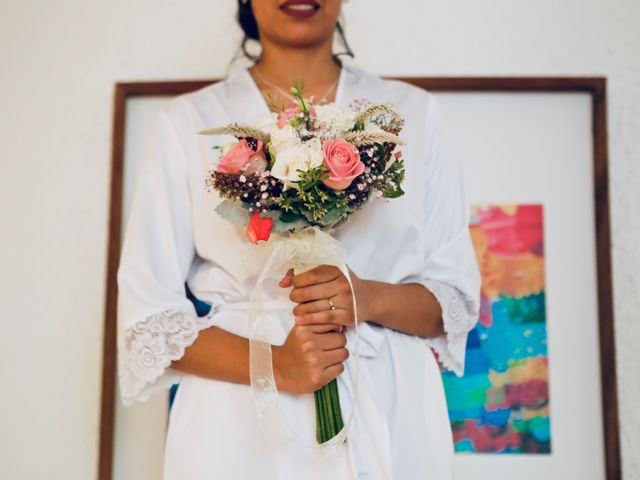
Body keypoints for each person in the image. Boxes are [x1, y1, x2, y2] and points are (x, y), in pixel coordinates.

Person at [116, 0, 481, 478]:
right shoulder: (188, 124)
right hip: (238, 418)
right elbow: (149, 319)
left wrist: (365, 297)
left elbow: (452, 301)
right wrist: (278, 366)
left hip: (391, 406)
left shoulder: (412, 114)